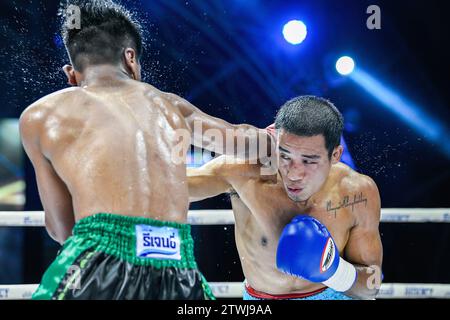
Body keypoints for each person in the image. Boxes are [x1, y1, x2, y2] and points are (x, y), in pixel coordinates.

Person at [20, 0, 270, 300]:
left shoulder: (42, 116)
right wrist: (283, 138)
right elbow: (250, 143)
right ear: (131, 58)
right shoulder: (171, 107)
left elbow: (62, 230)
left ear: (71, 74)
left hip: (97, 263)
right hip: (179, 266)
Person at [188, 95, 383, 300]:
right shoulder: (243, 171)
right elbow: (173, 187)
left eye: (309, 161)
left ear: (335, 155)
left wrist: (334, 271)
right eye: (285, 156)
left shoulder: (357, 191)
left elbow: (371, 286)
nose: (294, 173)